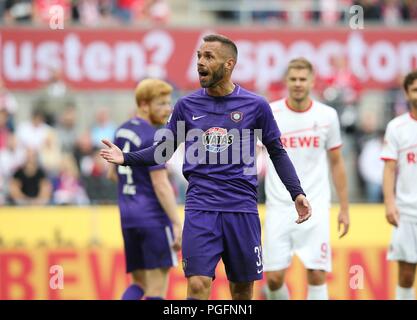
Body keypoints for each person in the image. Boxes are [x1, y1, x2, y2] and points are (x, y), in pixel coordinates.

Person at [100, 34, 311, 300]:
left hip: (241, 209)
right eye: (199, 56)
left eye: (209, 56)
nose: (200, 62)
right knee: (198, 284)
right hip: (201, 209)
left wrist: (297, 192)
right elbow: (162, 152)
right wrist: (126, 158)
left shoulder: (256, 106)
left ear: (229, 64)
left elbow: (277, 152)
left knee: (242, 290)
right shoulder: (186, 106)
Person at [263, 58, 350, 300]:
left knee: (317, 273)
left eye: (303, 79)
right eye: (293, 79)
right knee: (273, 279)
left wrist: (344, 207)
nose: (298, 84)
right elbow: (254, 158)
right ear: (286, 81)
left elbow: (337, 163)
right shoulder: (270, 113)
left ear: (312, 81)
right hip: (279, 206)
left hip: (317, 205)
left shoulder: (327, 116)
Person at [107, 78, 182, 300]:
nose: (168, 109)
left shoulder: (122, 130)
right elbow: (160, 184)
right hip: (153, 219)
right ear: (143, 104)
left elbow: (113, 174)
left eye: (169, 103)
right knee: (157, 290)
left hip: (128, 217)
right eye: (161, 104)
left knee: (139, 284)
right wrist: (177, 223)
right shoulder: (153, 136)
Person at [381, 70, 417, 300]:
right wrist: (389, 203)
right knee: (405, 274)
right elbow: (389, 168)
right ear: (406, 92)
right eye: (414, 89)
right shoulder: (397, 127)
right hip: (407, 211)